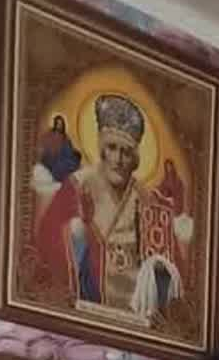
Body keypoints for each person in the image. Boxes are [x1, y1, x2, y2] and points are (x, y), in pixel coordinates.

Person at [32, 91, 190, 322]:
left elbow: (174, 268)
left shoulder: (149, 201)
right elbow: (47, 239)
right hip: (89, 306)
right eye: (112, 148)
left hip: (137, 315)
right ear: (101, 149)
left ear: (135, 160)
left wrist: (158, 269)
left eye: (126, 152)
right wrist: (80, 230)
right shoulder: (78, 185)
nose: (118, 159)